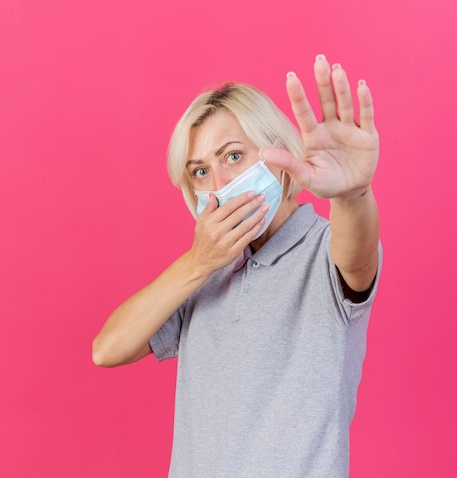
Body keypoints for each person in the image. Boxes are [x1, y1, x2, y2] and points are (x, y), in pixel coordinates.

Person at [93, 54, 382, 477]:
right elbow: (107, 349)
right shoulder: (204, 273)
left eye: (232, 157)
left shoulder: (325, 252)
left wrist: (353, 194)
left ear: (279, 152)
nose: (220, 186)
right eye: (200, 171)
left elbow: (357, 256)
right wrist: (200, 261)